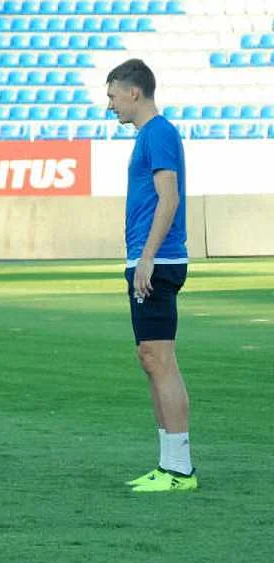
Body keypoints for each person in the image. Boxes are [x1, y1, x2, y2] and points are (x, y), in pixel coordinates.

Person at [106, 58, 196, 492]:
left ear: (134, 92)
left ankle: (179, 468)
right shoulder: (149, 135)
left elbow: (169, 197)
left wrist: (147, 257)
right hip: (150, 260)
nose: (110, 105)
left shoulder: (158, 132)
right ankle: (168, 463)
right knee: (151, 358)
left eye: (112, 96)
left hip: (158, 261)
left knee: (159, 359)